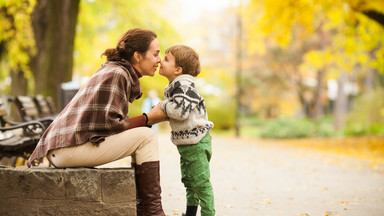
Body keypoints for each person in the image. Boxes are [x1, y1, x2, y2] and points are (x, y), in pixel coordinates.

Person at [27, 28, 168, 216]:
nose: (159, 60)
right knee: (147, 136)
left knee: (144, 135)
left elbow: (108, 125)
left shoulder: (115, 70)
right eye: (155, 54)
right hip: (67, 149)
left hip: (64, 148)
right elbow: (113, 126)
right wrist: (149, 119)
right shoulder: (118, 73)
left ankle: (147, 210)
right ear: (138, 56)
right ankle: (152, 212)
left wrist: (147, 119)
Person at [158, 45, 215, 216]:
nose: (161, 61)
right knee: (190, 182)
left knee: (201, 183)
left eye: (166, 59)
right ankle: (190, 213)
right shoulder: (176, 86)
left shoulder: (184, 87)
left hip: (196, 143)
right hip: (187, 143)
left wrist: (163, 106)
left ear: (178, 69)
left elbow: (180, 112)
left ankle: (208, 214)